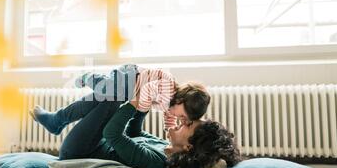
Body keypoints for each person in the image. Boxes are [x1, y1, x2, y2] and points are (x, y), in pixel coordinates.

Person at [30, 93, 241, 168]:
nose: (183, 121)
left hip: (79, 152)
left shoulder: (158, 163)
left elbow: (113, 134)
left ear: (188, 147)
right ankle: (56, 120)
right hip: (98, 143)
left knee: (112, 95)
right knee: (113, 93)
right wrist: (143, 107)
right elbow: (134, 133)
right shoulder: (164, 145)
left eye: (189, 125)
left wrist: (133, 104)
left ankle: (56, 121)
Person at [32, 64, 211, 134]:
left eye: (183, 120)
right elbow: (147, 90)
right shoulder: (169, 86)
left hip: (128, 91)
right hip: (129, 78)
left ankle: (58, 120)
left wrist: (171, 131)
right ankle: (88, 77)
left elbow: (169, 121)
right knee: (104, 89)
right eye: (182, 115)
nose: (180, 119)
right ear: (181, 101)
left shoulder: (170, 107)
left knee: (100, 98)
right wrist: (138, 118)